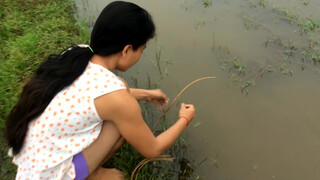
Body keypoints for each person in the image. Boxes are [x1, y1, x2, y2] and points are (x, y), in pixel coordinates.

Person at [5, 1, 195, 180]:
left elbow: (98, 97)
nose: (140, 55)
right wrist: (184, 119)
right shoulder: (116, 97)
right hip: (52, 175)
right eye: (141, 50)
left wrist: (147, 94)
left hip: (32, 158)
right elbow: (153, 149)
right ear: (127, 50)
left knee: (121, 100)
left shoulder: (77, 54)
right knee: (120, 124)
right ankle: (92, 174)